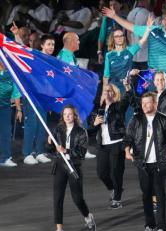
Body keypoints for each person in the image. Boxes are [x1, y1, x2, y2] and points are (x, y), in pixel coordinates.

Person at [124, 92, 166, 231]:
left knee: (160, 195)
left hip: (160, 164)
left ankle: (161, 227)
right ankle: (150, 225)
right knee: (146, 195)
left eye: (148, 103)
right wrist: (127, 149)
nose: (145, 106)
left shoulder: (164, 120)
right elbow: (128, 137)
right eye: (143, 103)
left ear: (155, 103)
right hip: (142, 164)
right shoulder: (135, 120)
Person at [102, 7, 166, 92]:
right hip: (154, 76)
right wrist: (114, 16)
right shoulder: (153, 31)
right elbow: (131, 27)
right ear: (163, 21)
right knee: (152, 104)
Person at [47, 105, 96, 231]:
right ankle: (59, 230)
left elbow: (81, 153)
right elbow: (51, 151)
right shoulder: (58, 130)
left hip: (74, 167)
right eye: (65, 114)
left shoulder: (81, 132)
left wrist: (66, 151)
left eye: (70, 114)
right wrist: (50, 144)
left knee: (77, 199)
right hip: (60, 166)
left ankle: (87, 216)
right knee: (57, 198)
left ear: (74, 116)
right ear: (62, 116)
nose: (67, 116)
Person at [57, 32, 96, 159]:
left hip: (75, 93)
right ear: (70, 41)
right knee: (75, 120)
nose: (79, 42)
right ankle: (73, 149)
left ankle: (80, 149)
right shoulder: (64, 56)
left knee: (79, 119)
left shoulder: (69, 55)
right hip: (71, 95)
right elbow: (69, 78)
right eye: (77, 40)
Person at [93, 83, 130, 209]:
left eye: (110, 91)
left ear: (114, 94)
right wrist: (95, 123)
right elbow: (91, 130)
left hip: (117, 143)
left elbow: (127, 99)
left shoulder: (118, 106)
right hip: (103, 145)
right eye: (105, 91)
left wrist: (128, 87)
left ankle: (117, 199)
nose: (107, 93)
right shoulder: (99, 109)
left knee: (116, 173)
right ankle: (114, 189)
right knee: (101, 173)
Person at [22, 34, 55, 165]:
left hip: (43, 96)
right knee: (31, 124)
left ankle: (39, 152)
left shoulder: (51, 60)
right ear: (42, 45)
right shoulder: (35, 56)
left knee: (42, 124)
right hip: (31, 94)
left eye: (53, 44)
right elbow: (21, 51)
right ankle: (27, 153)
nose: (51, 47)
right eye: (48, 44)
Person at [103, 15, 153, 93]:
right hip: (113, 89)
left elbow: (142, 40)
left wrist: (148, 28)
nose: (119, 38)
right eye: (116, 36)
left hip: (127, 87)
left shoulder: (130, 50)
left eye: (121, 36)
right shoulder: (108, 55)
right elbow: (106, 76)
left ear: (124, 37)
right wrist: (104, 92)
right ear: (113, 39)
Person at [0, 61, 22, 167]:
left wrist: (19, 110)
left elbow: (16, 92)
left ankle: (5, 158)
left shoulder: (11, 73)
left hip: (5, 106)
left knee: (5, 132)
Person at [126, 0, 151, 70]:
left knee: (134, 79)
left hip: (133, 55)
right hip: (145, 56)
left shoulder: (130, 13)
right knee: (146, 80)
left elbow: (128, 34)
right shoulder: (148, 14)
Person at [98, 0, 124, 64]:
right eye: (111, 5)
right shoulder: (106, 19)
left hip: (122, 49)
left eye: (115, 4)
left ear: (120, 5)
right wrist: (99, 53)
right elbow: (101, 37)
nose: (113, 7)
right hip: (109, 49)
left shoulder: (125, 18)